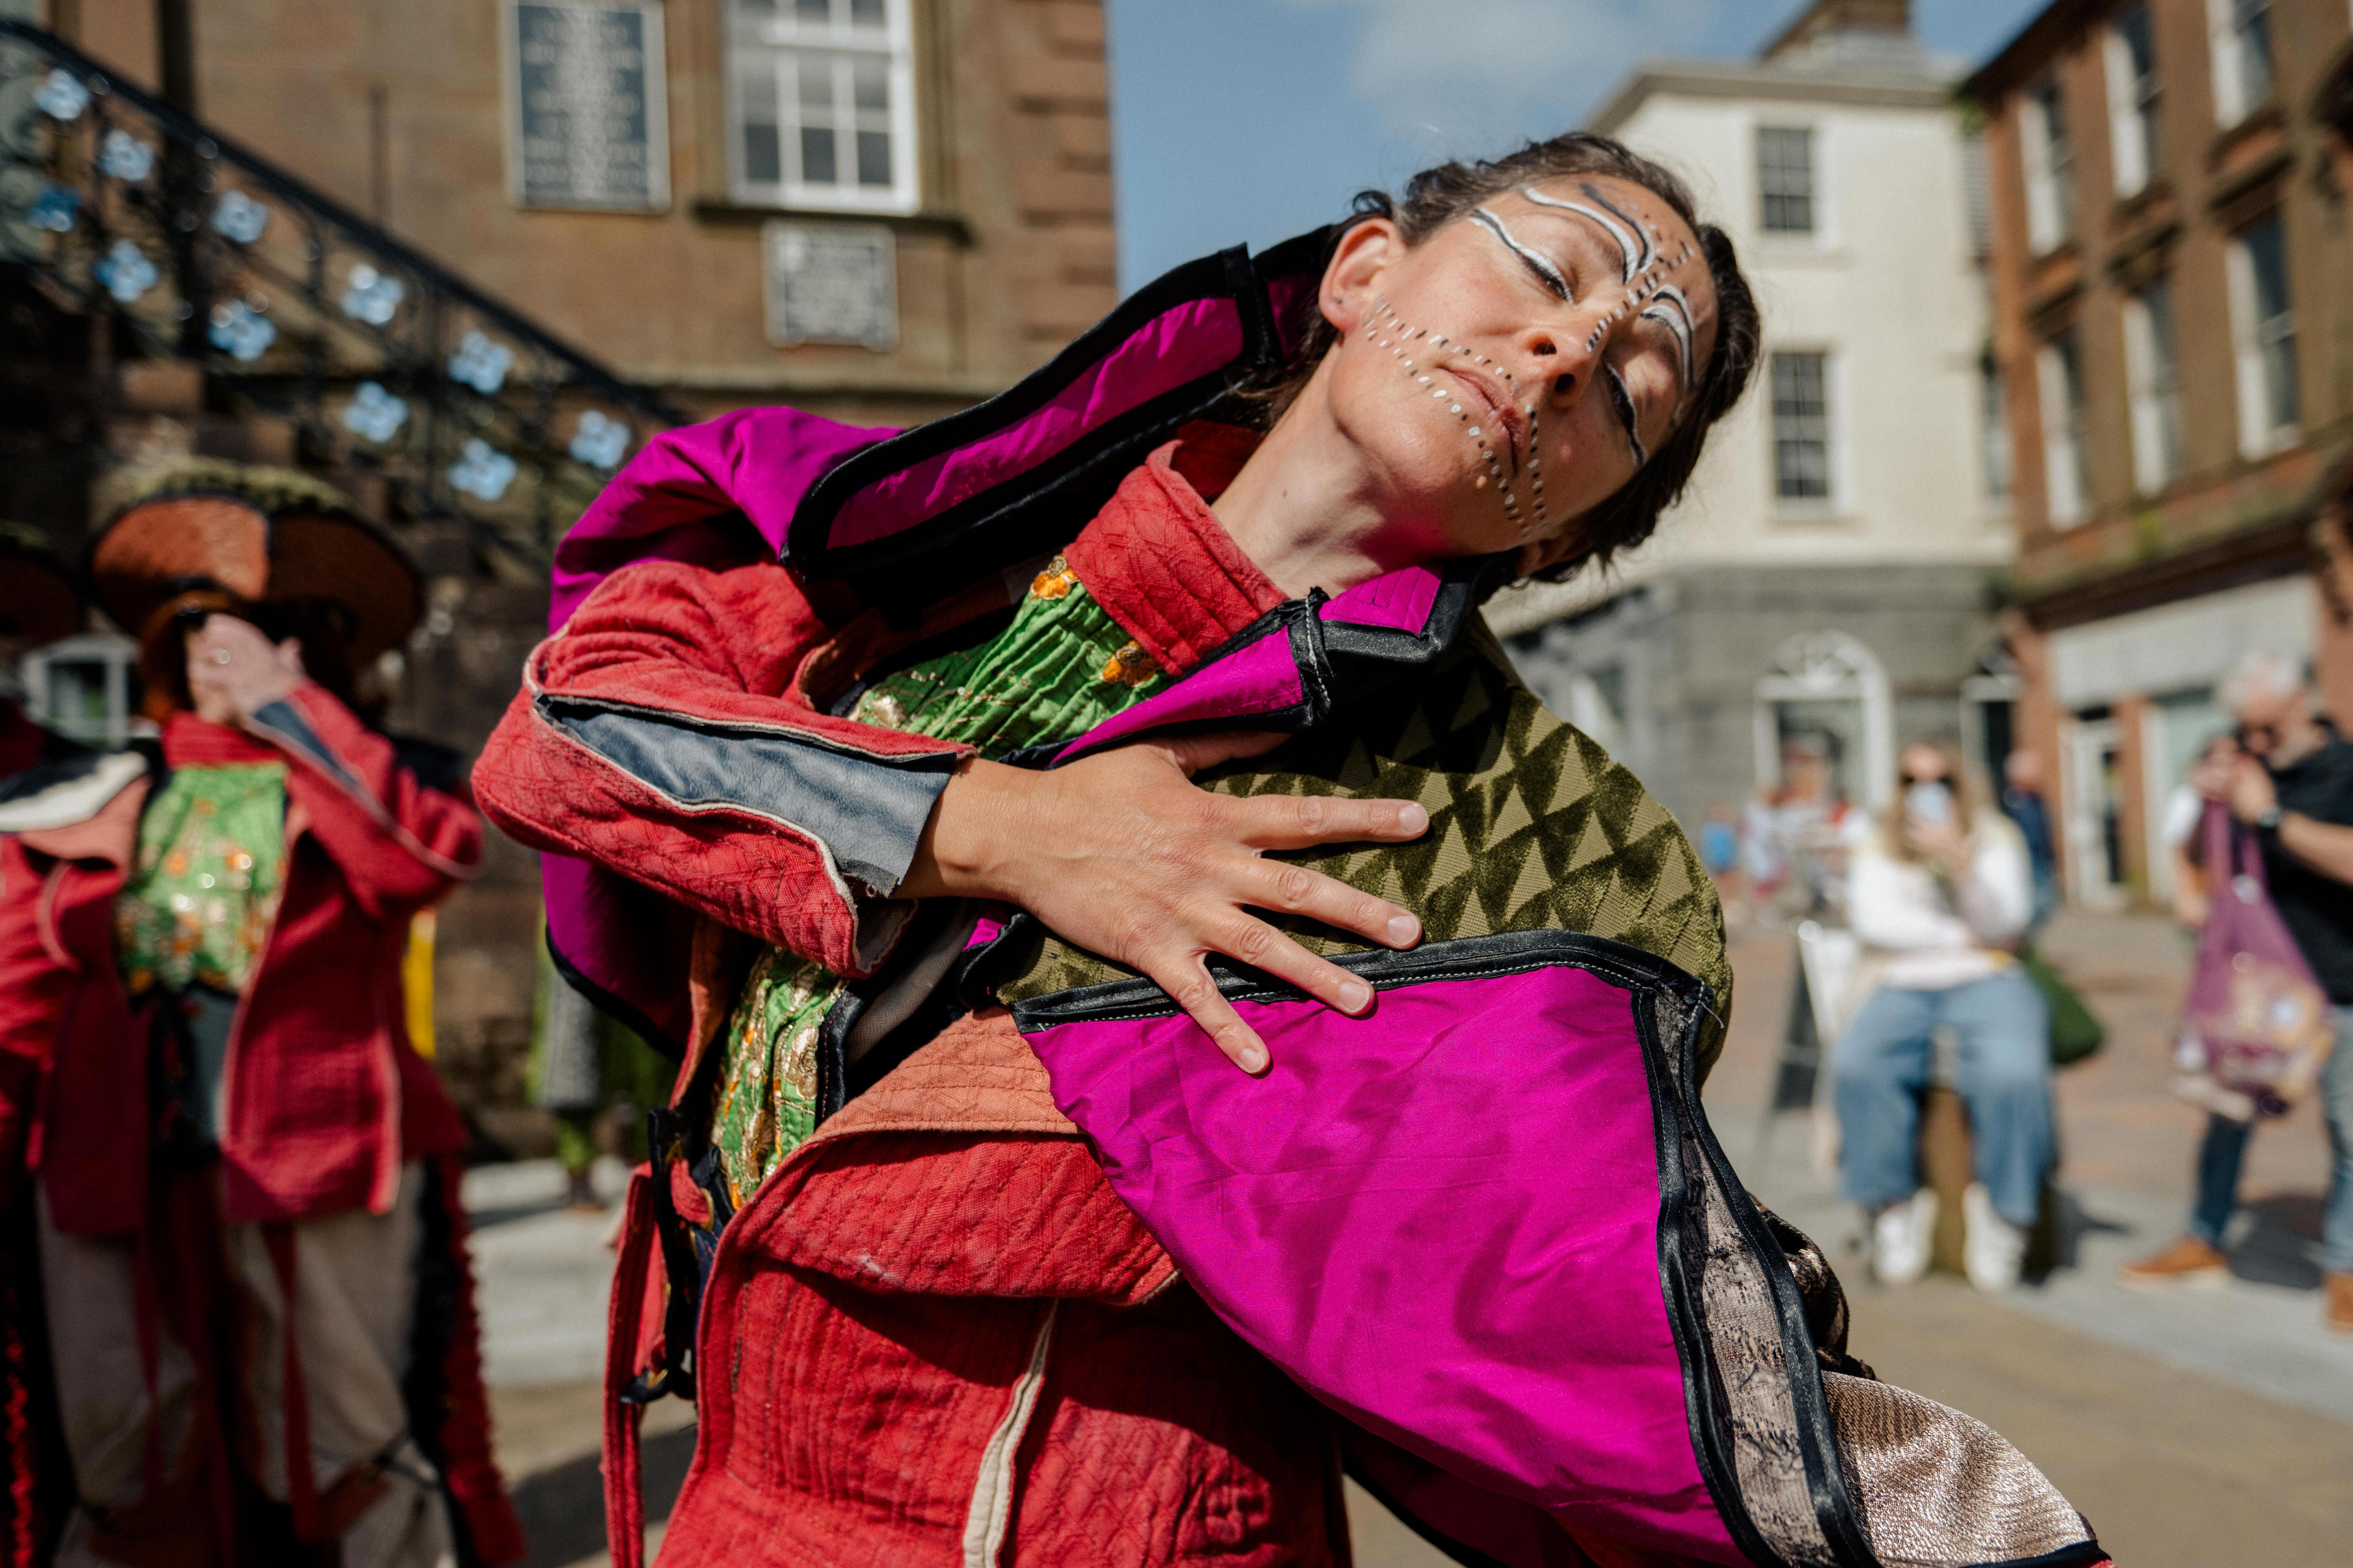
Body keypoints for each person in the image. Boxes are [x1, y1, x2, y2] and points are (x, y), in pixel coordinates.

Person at [481, 135, 2103, 1567]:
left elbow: (1652, 1329)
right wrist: (998, 828)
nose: (1562, 348)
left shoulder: (1510, 845)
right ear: (1361, 269)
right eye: (1548, 269)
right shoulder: (904, 558)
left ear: (1564, 533)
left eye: (1628, 392)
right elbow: (563, 730)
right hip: (728, 1497)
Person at [0, 468, 520, 1567]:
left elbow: (422, 858)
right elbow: (20, 983)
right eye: (197, 623)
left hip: (316, 1154)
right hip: (108, 1165)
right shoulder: (84, 791)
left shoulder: (373, 781)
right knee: (127, 1456)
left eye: (252, 627)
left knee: (349, 1445)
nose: (218, 649)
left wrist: (291, 710)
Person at [2122, 654, 2353, 1333]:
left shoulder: (2343, 768)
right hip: (2253, 991)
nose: (2253, 742)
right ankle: (2205, 1235)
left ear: (2300, 704)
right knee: (2226, 1113)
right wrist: (2204, 806)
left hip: (2341, 982)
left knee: (2349, 1130)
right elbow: (2199, 868)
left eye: (2265, 728)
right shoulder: (2243, 766)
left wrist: (2271, 817)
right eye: (2243, 729)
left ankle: (2345, 1268)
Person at [1832, 740, 2050, 1292]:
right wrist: (1959, 935)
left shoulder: (1994, 835)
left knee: (2013, 1071)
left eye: (1941, 781)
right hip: (1903, 979)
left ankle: (2007, 1213)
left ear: (1962, 782)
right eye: (1912, 781)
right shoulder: (1877, 841)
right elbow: (1876, 922)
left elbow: (2009, 919)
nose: (1925, 793)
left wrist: (1962, 864)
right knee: (1858, 1065)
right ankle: (1890, 1205)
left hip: (1988, 973)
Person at [2000, 746, 2060, 937]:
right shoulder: (2012, 801)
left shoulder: (2036, 799)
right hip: (2027, 861)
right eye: (2034, 769)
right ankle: (2020, 942)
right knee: (2035, 906)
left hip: (2041, 860)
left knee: (2046, 904)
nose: (2040, 773)